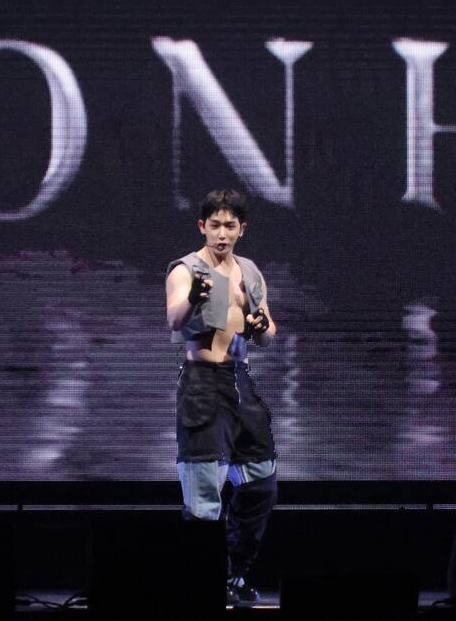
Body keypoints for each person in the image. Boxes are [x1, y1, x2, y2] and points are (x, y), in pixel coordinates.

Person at [165, 188, 278, 607]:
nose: (222, 234)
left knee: (261, 483)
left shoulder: (249, 271)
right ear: (203, 226)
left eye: (230, 226)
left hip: (240, 381)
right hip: (203, 383)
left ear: (241, 229)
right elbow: (174, 318)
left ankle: (235, 573)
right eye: (214, 225)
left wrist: (262, 325)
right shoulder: (186, 270)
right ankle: (199, 585)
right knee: (204, 499)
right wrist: (194, 297)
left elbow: (268, 333)